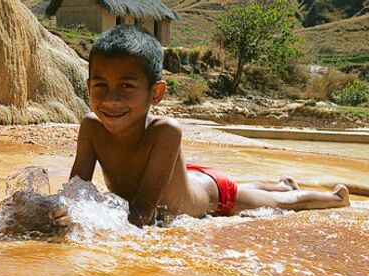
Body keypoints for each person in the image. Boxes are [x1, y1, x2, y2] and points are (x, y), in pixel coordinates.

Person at [51, 25, 349, 228]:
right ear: (88, 86)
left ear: (156, 93)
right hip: (183, 176)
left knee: (281, 202)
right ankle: (282, 180)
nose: (111, 99)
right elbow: (75, 193)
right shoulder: (91, 127)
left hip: (212, 195)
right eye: (100, 85)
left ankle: (334, 197)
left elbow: (143, 213)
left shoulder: (166, 131)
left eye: (126, 86)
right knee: (258, 189)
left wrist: (86, 222)